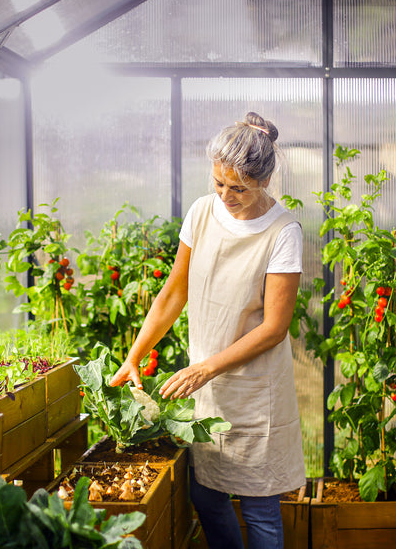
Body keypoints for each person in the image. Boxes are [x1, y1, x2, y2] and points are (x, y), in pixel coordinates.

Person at [109, 112, 305, 549]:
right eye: (219, 183)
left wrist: (205, 369)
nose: (226, 195)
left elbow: (274, 328)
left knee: (259, 508)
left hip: (255, 392)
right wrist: (134, 355)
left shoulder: (282, 231)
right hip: (208, 385)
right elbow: (172, 293)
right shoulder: (202, 212)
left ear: (264, 180)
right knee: (207, 494)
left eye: (239, 187)